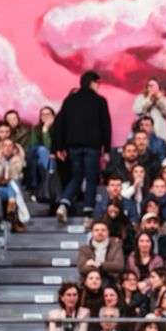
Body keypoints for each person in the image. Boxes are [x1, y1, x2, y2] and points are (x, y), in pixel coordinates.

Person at [53, 69, 112, 223]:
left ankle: (64, 204)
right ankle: (88, 214)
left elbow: (60, 124)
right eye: (97, 83)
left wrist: (59, 147)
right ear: (92, 83)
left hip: (73, 145)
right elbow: (106, 126)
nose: (98, 86)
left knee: (76, 175)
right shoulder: (100, 101)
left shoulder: (70, 100)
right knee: (91, 178)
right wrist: (107, 149)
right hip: (92, 146)